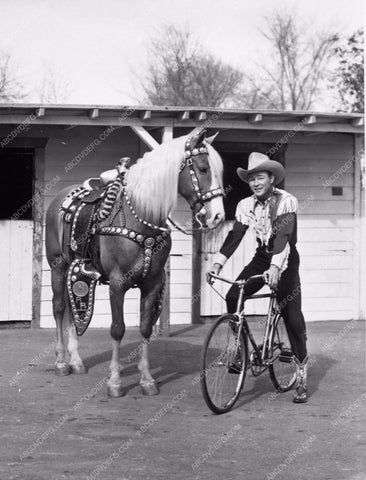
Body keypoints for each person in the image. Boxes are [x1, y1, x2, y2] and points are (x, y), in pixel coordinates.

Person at [208, 152, 308, 403]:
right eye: (251, 178)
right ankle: (239, 349)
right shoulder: (245, 204)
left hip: (285, 260)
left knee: (293, 319)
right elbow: (236, 235)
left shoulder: (286, 201)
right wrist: (217, 264)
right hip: (261, 258)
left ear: (271, 178)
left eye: (260, 177)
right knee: (234, 294)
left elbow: (284, 237)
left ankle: (301, 377)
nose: (255, 183)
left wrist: (275, 268)